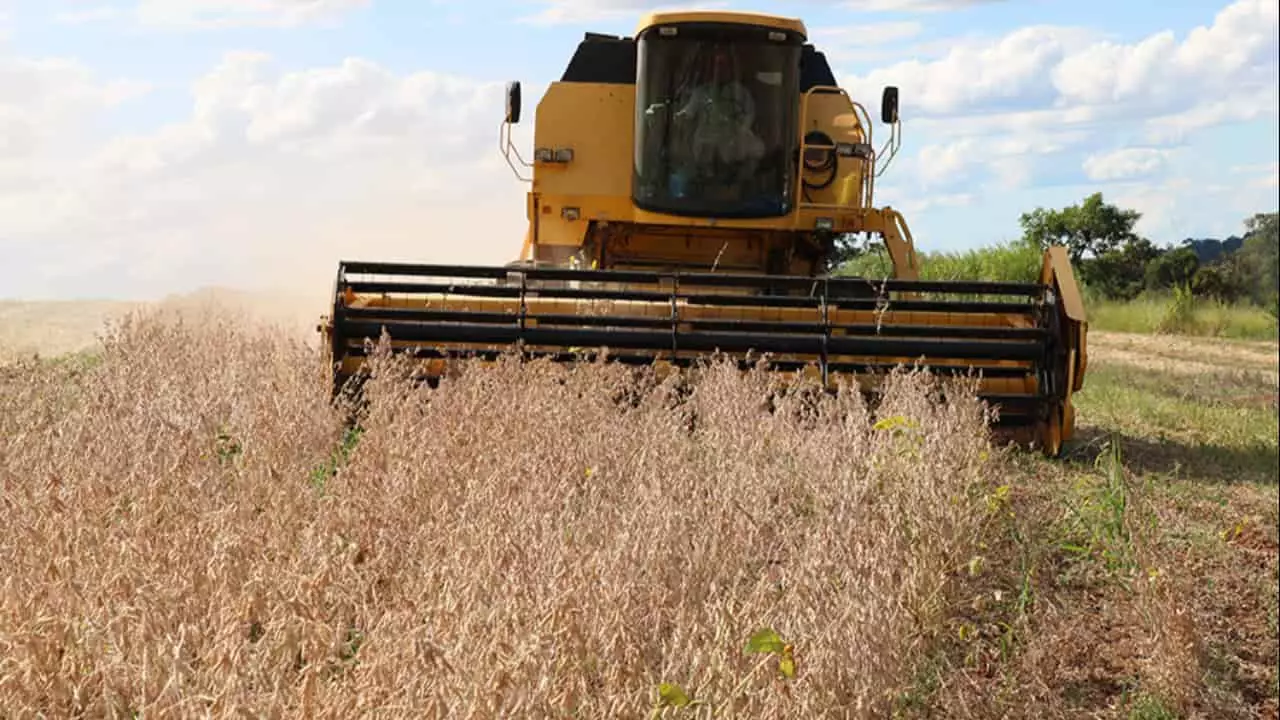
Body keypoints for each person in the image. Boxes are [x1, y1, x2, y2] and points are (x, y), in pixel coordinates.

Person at [671, 44, 766, 188]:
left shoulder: (741, 93)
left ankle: (741, 184)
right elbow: (688, 112)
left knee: (758, 149)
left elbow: (749, 115)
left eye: (724, 66)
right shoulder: (701, 92)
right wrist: (678, 117)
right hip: (705, 142)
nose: (720, 70)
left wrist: (738, 131)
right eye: (717, 66)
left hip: (733, 141)